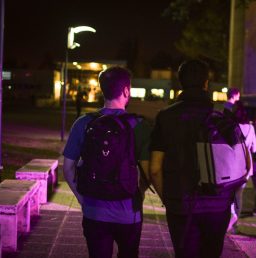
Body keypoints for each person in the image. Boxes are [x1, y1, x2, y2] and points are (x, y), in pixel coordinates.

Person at [150, 60, 235, 258]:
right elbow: (244, 165)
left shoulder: (165, 117)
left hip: (181, 204)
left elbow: (155, 169)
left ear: (181, 83)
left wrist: (168, 199)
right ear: (206, 83)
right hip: (217, 205)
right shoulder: (222, 116)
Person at [63, 67, 151, 258]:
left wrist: (81, 197)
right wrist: (139, 193)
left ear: (103, 90)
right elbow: (149, 171)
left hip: (93, 210)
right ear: (126, 91)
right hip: (129, 213)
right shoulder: (139, 125)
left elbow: (68, 168)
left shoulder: (83, 123)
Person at [227, 101, 256, 232]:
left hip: (232, 162)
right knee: (239, 195)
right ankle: (235, 224)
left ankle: (230, 217)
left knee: (229, 195)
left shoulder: (231, 126)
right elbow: (255, 148)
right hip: (246, 164)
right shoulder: (251, 128)